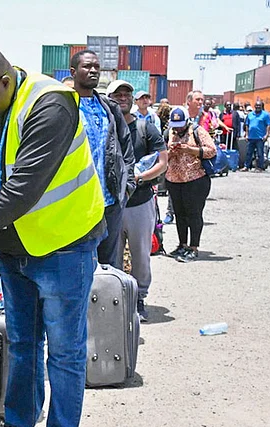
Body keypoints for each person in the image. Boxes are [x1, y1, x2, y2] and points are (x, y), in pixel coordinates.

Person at [0, 45, 105, 427]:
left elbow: (21, 191)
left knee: (64, 353)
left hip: (64, 245)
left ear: (5, 81)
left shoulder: (51, 104)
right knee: (23, 347)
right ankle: (19, 421)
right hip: (16, 249)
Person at [107, 78, 167, 321]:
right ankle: (117, 300)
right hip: (110, 203)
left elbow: (163, 162)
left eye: (126, 95)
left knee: (141, 254)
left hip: (139, 202)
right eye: (117, 95)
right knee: (112, 256)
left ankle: (139, 298)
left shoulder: (145, 129)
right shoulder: (104, 128)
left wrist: (139, 178)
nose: (123, 98)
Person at [70, 50, 136, 270]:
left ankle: (108, 305)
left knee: (108, 265)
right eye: (87, 66)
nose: (93, 71)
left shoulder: (109, 108)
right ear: (73, 71)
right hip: (78, 203)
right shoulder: (65, 105)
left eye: (97, 67)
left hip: (110, 202)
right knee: (78, 264)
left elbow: (126, 149)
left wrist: (127, 187)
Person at [165, 107, 216, 263]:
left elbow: (211, 150)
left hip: (196, 179)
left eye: (180, 124)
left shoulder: (197, 131)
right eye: (175, 124)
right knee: (180, 214)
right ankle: (182, 244)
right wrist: (171, 152)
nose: (178, 128)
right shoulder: (169, 133)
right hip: (174, 180)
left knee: (193, 214)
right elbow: (160, 155)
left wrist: (190, 150)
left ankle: (193, 247)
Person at [241, 101, 270, 172]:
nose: (258, 107)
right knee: (249, 153)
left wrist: (266, 135)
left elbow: (268, 125)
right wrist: (247, 134)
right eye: (257, 105)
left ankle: (260, 167)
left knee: (260, 153)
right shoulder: (250, 114)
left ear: (262, 106)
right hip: (251, 137)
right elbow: (247, 125)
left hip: (260, 138)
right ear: (254, 106)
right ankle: (246, 166)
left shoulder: (265, 115)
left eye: (259, 106)